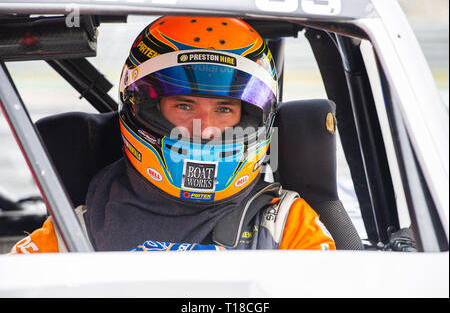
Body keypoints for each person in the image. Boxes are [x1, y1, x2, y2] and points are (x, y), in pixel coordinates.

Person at [10, 16, 335, 254]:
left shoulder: (286, 225)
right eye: (184, 105)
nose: (204, 128)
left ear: (249, 119)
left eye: (224, 109)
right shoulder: (77, 229)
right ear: (145, 109)